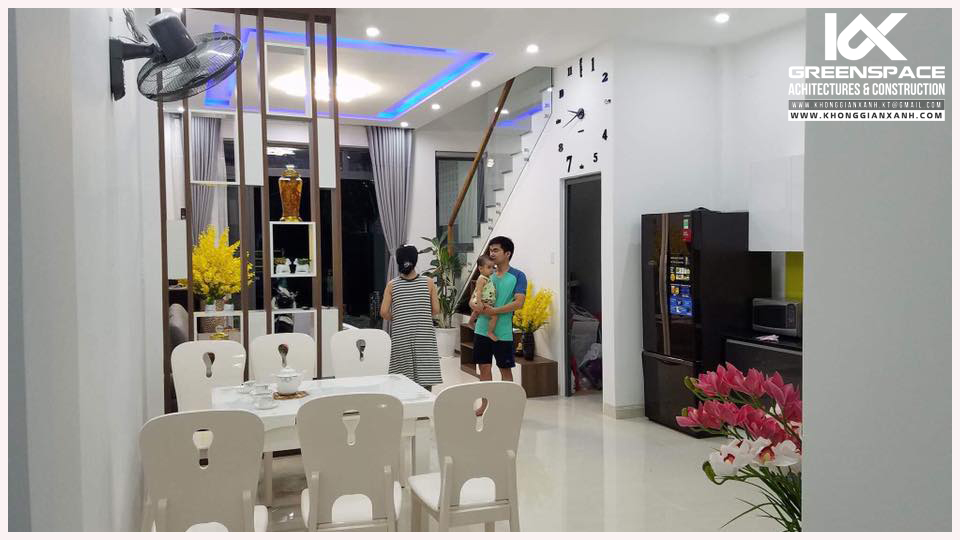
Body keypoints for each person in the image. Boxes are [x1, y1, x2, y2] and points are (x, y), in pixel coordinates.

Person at [380, 245, 443, 390]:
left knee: (402, 377)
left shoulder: (392, 285)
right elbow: (436, 309)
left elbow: (383, 312)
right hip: (423, 335)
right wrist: (421, 315)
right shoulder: (428, 282)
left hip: (401, 335)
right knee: (425, 372)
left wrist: (398, 317)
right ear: (415, 260)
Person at [472, 236, 527, 387]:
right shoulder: (486, 274)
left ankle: (506, 402)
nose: (491, 253)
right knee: (484, 369)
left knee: (505, 370)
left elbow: (519, 303)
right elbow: (473, 299)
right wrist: (475, 306)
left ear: (507, 253)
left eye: (496, 250)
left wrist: (494, 310)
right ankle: (485, 401)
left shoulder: (518, 276)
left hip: (503, 332)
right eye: (490, 250)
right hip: (481, 329)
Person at [468, 254, 499, 340]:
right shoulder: (481, 279)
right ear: (480, 268)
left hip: (484, 301)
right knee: (494, 316)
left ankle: (470, 322)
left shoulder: (487, 278)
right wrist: (479, 302)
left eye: (493, 267)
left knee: (476, 312)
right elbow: (478, 291)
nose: (492, 270)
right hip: (482, 301)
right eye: (489, 267)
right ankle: (489, 332)